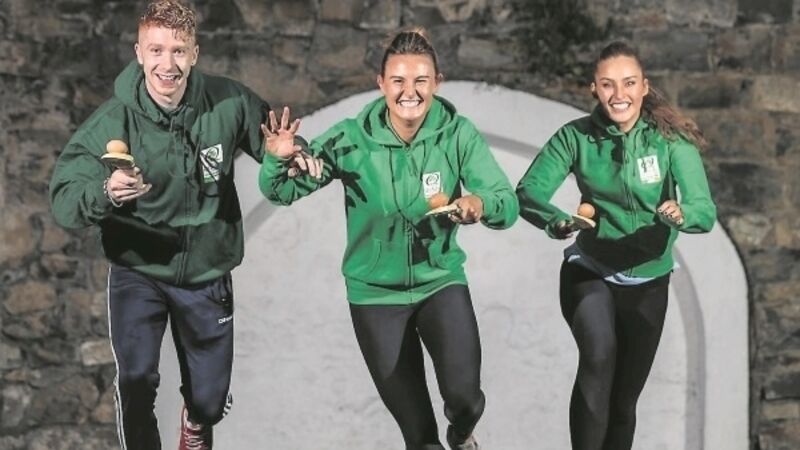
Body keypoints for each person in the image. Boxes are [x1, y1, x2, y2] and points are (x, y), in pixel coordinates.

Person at [48, 1, 312, 449]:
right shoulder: (113, 121)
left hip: (207, 271)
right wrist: (107, 191)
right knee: (135, 381)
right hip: (138, 268)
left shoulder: (229, 102)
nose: (167, 64)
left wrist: (293, 151)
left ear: (194, 54)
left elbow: (275, 144)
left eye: (178, 51)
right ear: (139, 53)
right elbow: (63, 200)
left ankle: (197, 417)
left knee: (209, 402)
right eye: (156, 50)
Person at [258, 28, 519, 450]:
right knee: (419, 437)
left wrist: (480, 203)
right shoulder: (350, 138)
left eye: (420, 80)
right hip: (375, 298)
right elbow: (282, 190)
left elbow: (506, 202)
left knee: (466, 401)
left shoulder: (457, 134)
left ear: (437, 83)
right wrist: (277, 159)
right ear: (381, 83)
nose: (409, 91)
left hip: (440, 283)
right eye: (398, 80)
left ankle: (462, 436)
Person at [516, 41, 717, 450]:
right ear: (594, 88)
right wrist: (556, 220)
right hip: (590, 269)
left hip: (649, 281)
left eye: (628, 83)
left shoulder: (670, 141)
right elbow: (529, 192)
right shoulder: (575, 137)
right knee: (598, 355)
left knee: (624, 402)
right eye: (608, 84)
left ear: (644, 87)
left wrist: (682, 213)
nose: (618, 94)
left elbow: (704, 210)